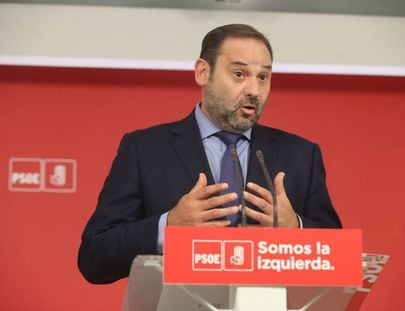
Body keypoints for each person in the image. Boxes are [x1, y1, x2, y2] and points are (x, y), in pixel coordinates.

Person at [78, 24, 342, 284]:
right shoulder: (144, 149)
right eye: (239, 74)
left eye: (263, 77)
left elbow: (341, 258)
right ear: (203, 72)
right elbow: (94, 257)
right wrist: (168, 226)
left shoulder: (301, 155)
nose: (254, 90)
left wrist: (295, 229)